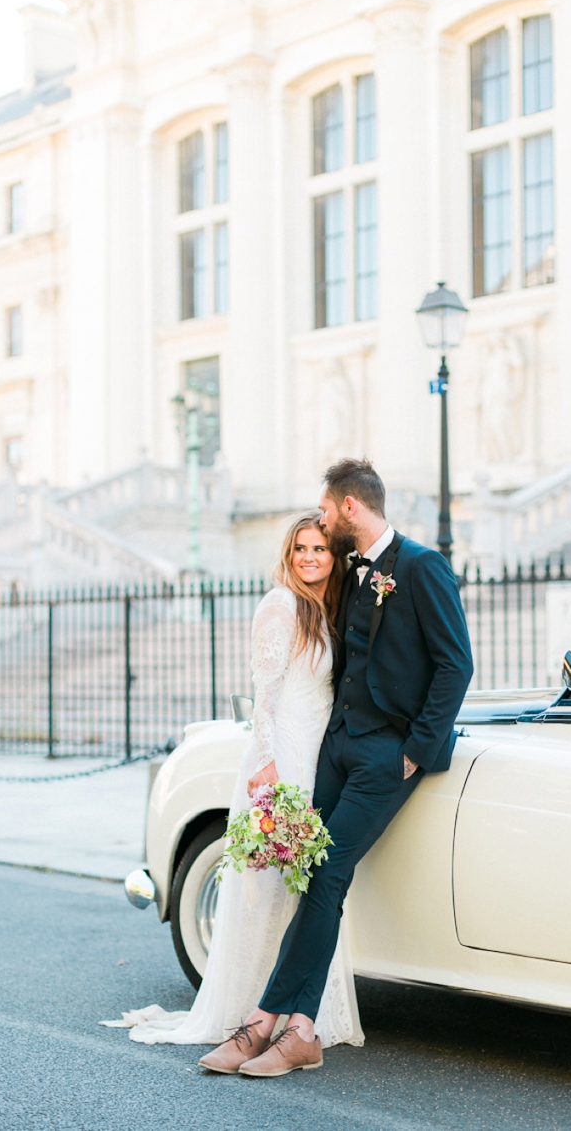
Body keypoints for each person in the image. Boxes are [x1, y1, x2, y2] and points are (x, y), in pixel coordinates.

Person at [218, 457, 474, 1077]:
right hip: (338, 744)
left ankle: (264, 1021)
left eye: (327, 509)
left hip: (387, 755)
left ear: (349, 509)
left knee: (329, 874)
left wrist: (415, 749)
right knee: (313, 876)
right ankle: (302, 1029)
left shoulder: (420, 565)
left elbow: (455, 664)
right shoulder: (352, 571)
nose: (323, 518)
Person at [102, 512, 364, 1058]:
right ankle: (252, 1008)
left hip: (318, 759)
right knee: (266, 891)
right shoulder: (280, 606)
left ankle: (301, 1012)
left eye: (319, 548)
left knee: (309, 892)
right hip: (282, 761)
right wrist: (267, 767)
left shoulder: (324, 611)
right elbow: (262, 696)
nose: (311, 557)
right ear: (288, 555)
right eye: (301, 549)